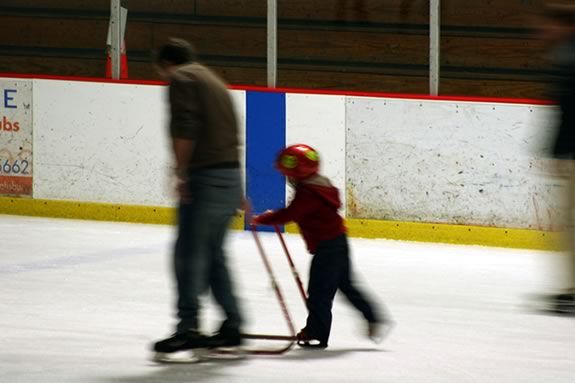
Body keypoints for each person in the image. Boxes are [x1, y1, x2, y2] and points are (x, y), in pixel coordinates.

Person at [152, 38, 244, 354]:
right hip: (229, 178)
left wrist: (181, 171)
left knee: (188, 255)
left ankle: (188, 327)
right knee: (214, 255)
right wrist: (238, 190)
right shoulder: (214, 80)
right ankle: (233, 323)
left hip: (205, 178)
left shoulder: (182, 78)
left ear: (166, 64)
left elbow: (186, 127)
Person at [252, 144, 391, 348]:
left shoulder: (309, 193)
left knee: (319, 292)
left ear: (298, 174)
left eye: (289, 175)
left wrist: (262, 219)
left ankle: (316, 332)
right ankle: (373, 318)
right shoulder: (317, 186)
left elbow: (291, 214)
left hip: (329, 248)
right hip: (337, 242)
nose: (288, 179)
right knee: (346, 286)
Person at [539, 3, 575, 313]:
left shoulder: (566, 57)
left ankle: (571, 290)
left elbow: (567, 112)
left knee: (568, 226)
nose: (543, 32)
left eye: (549, 25)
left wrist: (556, 152)